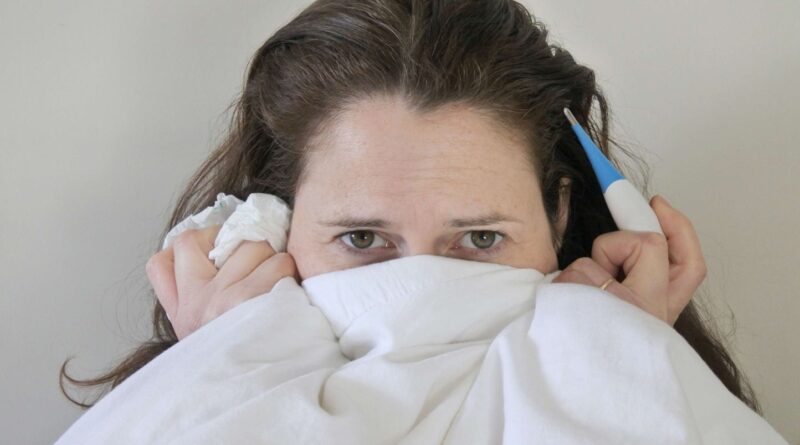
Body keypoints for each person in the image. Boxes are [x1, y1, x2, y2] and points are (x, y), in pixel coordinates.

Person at [60, 0, 759, 415]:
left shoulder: (634, 373)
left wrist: (622, 368)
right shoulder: (208, 381)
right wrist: (222, 371)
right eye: (362, 237)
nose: (420, 292)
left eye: (481, 238)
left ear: (558, 219)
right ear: (271, 227)